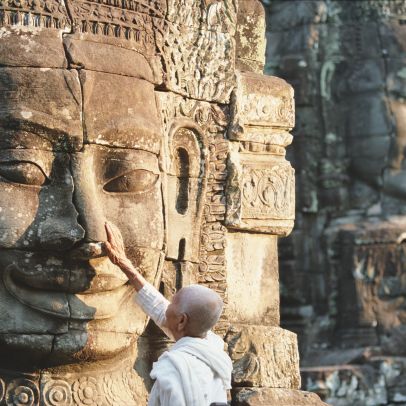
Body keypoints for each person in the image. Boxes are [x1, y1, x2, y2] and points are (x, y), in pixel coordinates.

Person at [104, 222, 233, 406]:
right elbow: (158, 308)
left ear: (181, 321)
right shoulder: (213, 349)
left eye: (172, 302)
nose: (167, 305)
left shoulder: (174, 369)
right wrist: (124, 265)